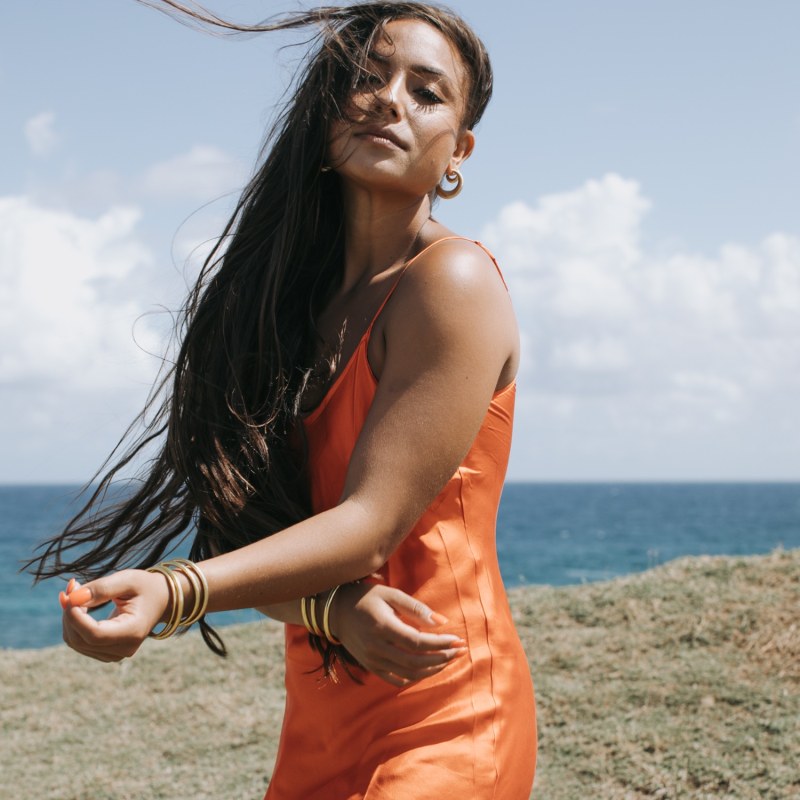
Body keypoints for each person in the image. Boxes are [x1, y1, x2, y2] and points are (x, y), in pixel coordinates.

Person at [28, 1, 536, 797]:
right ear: (325, 114)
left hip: (448, 716)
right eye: (365, 79)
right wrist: (331, 610)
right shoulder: (280, 308)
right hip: (320, 725)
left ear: (456, 153)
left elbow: (368, 528)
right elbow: (257, 531)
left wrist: (173, 589)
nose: (389, 99)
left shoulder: (453, 283)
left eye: (425, 92)